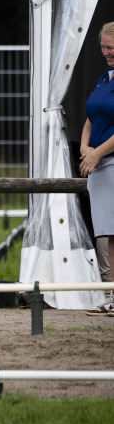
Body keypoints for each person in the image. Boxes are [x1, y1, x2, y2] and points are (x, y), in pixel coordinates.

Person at [79, 21, 114, 316]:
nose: (105, 52)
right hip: (100, 166)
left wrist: (97, 154)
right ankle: (112, 294)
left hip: (111, 162)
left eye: (110, 47)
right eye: (103, 47)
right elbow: (90, 117)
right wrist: (84, 149)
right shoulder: (104, 79)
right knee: (108, 234)